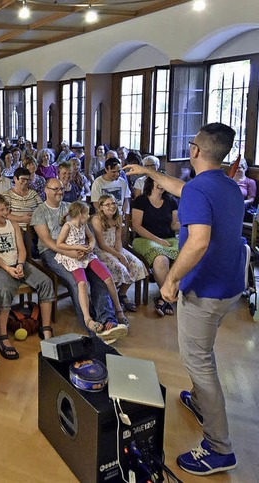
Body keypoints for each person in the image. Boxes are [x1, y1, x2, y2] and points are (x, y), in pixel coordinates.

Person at [125, 123, 245, 476]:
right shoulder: (228, 185)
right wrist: (149, 171)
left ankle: (219, 448)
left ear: (195, 150)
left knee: (199, 362)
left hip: (205, 290)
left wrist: (171, 280)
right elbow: (183, 189)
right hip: (231, 285)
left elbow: (198, 242)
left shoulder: (199, 190)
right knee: (202, 354)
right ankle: (198, 400)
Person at [31, 177, 125, 341]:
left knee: (99, 278)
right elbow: (48, 241)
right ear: (46, 190)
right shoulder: (40, 212)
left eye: (61, 188)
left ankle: (108, 320)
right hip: (52, 252)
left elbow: (88, 233)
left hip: (79, 250)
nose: (60, 191)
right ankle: (92, 327)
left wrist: (87, 247)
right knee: (76, 282)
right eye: (56, 189)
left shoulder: (71, 207)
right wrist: (70, 253)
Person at [0, 194, 55, 359]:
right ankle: (2, 335)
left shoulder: (13, 225)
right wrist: (8, 268)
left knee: (46, 282)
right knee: (4, 290)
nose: (6, 212)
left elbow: (22, 249)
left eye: (7, 208)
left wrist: (20, 264)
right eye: (1, 209)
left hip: (18, 263)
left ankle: (46, 326)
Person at [55, 201, 129, 333]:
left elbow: (91, 238)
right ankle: (87, 318)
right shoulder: (67, 226)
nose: (89, 216)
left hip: (87, 255)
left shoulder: (84, 225)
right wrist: (77, 247)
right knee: (82, 283)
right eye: (87, 213)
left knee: (108, 278)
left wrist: (90, 246)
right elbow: (59, 244)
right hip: (73, 258)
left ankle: (119, 310)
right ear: (80, 214)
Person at [131, 175, 180, 316]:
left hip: (169, 239)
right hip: (144, 240)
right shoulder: (141, 201)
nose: (162, 184)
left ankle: (164, 297)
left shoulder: (171, 201)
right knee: (161, 259)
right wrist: (158, 240)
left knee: (186, 255)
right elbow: (136, 226)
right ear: (151, 182)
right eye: (158, 181)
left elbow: (173, 225)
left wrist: (191, 222)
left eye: (165, 182)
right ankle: (167, 297)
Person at [91, 195, 146, 312]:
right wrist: (119, 257)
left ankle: (122, 293)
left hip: (115, 248)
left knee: (136, 264)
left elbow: (118, 240)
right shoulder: (97, 219)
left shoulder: (118, 217)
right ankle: (111, 297)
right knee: (119, 267)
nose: (112, 207)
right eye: (107, 205)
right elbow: (101, 244)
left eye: (114, 203)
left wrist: (121, 254)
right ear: (101, 207)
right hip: (101, 250)